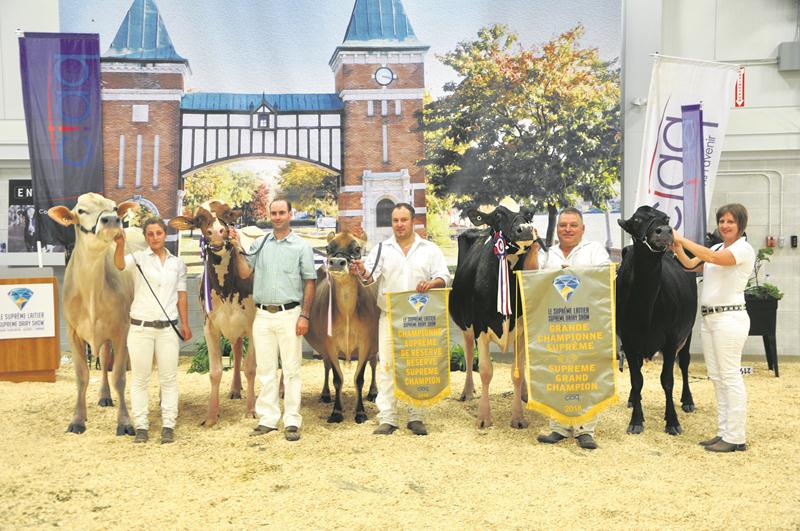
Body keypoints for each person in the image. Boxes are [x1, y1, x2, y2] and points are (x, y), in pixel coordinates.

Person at [350, 203, 451, 436]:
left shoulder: (429, 249)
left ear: (413, 221)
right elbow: (369, 278)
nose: (399, 225)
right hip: (390, 315)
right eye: (395, 220)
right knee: (386, 364)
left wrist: (432, 283)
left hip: (419, 318)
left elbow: (444, 277)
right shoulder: (382, 249)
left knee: (416, 364)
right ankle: (388, 417)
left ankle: (416, 416)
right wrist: (361, 271)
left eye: (403, 220)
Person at [231, 199, 316, 442]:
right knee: (266, 370)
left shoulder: (301, 246)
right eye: (274, 213)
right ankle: (267, 419)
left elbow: (310, 282)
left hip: (290, 314)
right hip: (263, 316)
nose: (277, 217)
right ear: (270, 216)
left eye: (282, 213)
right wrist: (237, 248)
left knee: (291, 370)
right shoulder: (260, 244)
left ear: (290, 214)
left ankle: (292, 420)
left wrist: (304, 315)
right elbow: (246, 272)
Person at [671, 203, 754, 453]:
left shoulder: (743, 249)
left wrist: (682, 238)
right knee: (718, 378)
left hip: (730, 319)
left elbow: (714, 259)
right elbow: (691, 265)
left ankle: (736, 436)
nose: (725, 225)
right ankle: (723, 432)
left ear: (741, 225)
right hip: (710, 319)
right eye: (722, 221)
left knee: (730, 377)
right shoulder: (717, 246)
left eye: (730, 221)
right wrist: (677, 248)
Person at [525, 207, 609, 450]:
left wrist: (574, 273)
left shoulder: (594, 251)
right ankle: (558, 427)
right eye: (563, 225)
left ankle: (585, 429)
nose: (568, 229)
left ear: (583, 229)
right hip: (554, 323)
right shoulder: (548, 253)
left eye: (573, 225)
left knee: (585, 374)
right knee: (557, 373)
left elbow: (606, 278)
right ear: (557, 229)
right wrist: (532, 249)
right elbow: (531, 275)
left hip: (586, 323)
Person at [114, 217, 191, 444]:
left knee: (168, 379)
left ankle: (168, 425)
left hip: (168, 329)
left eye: (158, 233)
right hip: (141, 328)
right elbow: (118, 265)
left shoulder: (178, 264)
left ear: (164, 234)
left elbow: (182, 296)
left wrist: (185, 324)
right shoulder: (137, 258)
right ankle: (142, 427)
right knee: (140, 379)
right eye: (150, 234)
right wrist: (119, 244)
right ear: (146, 237)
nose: (154, 237)